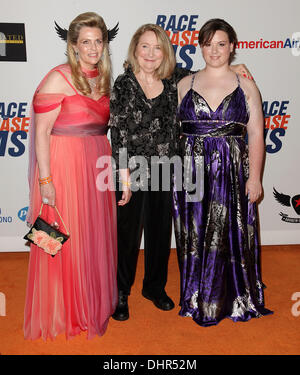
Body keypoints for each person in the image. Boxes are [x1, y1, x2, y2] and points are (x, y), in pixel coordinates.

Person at [109, 23, 251, 321]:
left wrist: (236, 65)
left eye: (157, 47)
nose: (150, 53)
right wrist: (123, 181)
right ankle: (121, 293)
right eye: (144, 46)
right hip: (132, 170)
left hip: (168, 168)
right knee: (127, 235)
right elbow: (118, 134)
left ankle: (155, 287)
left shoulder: (176, 78)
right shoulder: (123, 83)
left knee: (161, 234)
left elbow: (210, 70)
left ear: (166, 52)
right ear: (135, 49)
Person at [24, 12, 124, 340]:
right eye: (86, 42)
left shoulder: (104, 77)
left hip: (96, 161)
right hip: (64, 164)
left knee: (90, 235)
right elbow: (41, 134)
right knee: (61, 236)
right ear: (73, 45)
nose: (93, 48)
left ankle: (88, 302)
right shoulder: (58, 77)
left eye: (99, 41)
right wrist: (45, 181)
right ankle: (62, 308)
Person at [173, 18, 273, 327]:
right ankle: (195, 295)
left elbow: (256, 134)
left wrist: (254, 178)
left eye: (221, 44)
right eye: (207, 44)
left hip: (232, 173)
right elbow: (176, 132)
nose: (214, 50)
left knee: (231, 233)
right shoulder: (184, 84)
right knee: (194, 234)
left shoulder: (246, 85)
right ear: (199, 46)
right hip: (192, 172)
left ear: (232, 47)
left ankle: (234, 297)